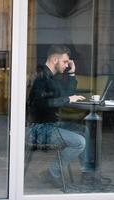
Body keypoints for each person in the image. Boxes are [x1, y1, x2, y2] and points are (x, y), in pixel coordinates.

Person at [27, 45, 94, 187]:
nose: (66, 65)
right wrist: (68, 100)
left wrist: (71, 74)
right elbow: (40, 104)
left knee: (85, 131)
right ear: (54, 59)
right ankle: (52, 172)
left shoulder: (50, 77)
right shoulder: (40, 77)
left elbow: (66, 94)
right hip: (39, 128)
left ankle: (87, 174)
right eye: (64, 62)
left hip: (50, 124)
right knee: (79, 142)